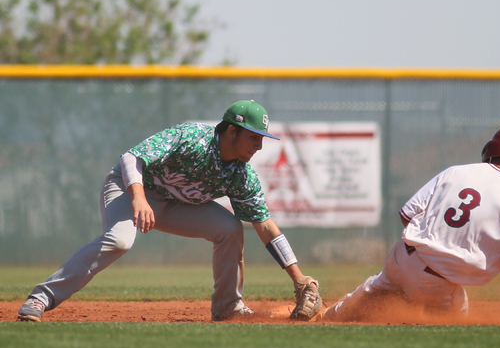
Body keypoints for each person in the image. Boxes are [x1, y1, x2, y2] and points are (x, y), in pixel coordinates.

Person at [18, 100, 322, 322]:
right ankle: (40, 298)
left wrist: (297, 277)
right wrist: (138, 198)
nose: (259, 146)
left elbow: (266, 226)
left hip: (174, 205)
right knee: (121, 240)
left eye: (262, 139)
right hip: (129, 188)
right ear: (232, 131)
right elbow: (130, 158)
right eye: (254, 137)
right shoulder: (192, 138)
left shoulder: (241, 175)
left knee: (230, 228)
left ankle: (228, 307)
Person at [320, 126, 500, 324]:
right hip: (436, 285)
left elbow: (407, 214)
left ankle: (330, 315)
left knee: (377, 286)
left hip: (402, 257)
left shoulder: (455, 172)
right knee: (456, 321)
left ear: (492, 149)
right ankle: (406, 300)